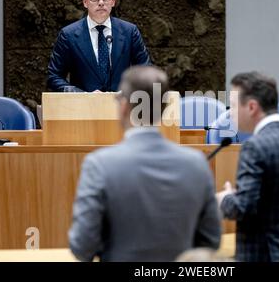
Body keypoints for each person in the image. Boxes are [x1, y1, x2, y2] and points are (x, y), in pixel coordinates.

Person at [68, 65, 221, 261]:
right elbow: (211, 242)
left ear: (123, 106)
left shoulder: (99, 165)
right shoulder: (197, 163)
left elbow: (82, 247)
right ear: (164, 107)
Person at [216, 71, 279, 262]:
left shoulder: (254, 147)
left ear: (252, 107)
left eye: (235, 105)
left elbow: (243, 208)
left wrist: (225, 199)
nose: (230, 112)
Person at [47, 0, 151, 92]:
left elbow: (146, 71)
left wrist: (129, 92)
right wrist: (81, 95)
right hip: (83, 107)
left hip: (122, 106)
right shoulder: (68, 35)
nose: (101, 2)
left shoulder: (130, 32)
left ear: (113, 1)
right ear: (85, 2)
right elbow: (53, 76)